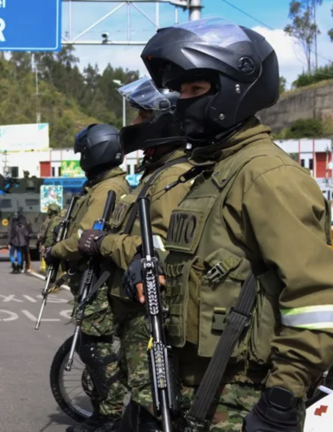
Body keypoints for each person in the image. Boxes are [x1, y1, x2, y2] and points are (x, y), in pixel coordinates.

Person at [121, 17, 333, 432]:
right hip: (186, 391)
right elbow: (199, 253)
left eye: (195, 90)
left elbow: (317, 301)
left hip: (240, 400)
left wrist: (282, 399)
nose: (183, 101)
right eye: (180, 91)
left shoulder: (267, 177)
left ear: (235, 89)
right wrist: (149, 267)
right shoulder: (207, 173)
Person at [73, 76, 193, 432]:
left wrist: (102, 243)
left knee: (152, 405)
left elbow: (159, 248)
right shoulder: (156, 175)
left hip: (150, 313)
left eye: (141, 116)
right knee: (141, 405)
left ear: (163, 121)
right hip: (133, 310)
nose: (134, 124)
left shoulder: (174, 179)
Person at [43, 124, 131, 432]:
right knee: (94, 343)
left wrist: (56, 251)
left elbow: (85, 236)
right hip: (93, 279)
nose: (81, 159)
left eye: (83, 153)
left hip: (100, 282)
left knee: (96, 346)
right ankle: (108, 410)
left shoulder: (108, 190)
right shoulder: (102, 186)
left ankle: (110, 415)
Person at [39, 203, 63, 274]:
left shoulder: (54, 221)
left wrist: (45, 245)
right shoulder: (61, 219)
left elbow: (50, 236)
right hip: (59, 246)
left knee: (50, 268)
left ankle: (51, 283)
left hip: (52, 247)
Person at [7, 209, 30, 274]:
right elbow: (26, 234)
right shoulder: (23, 226)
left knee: (11, 254)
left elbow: (10, 234)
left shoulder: (13, 226)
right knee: (19, 254)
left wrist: (9, 243)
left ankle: (14, 266)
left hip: (13, 242)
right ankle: (19, 267)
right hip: (21, 243)